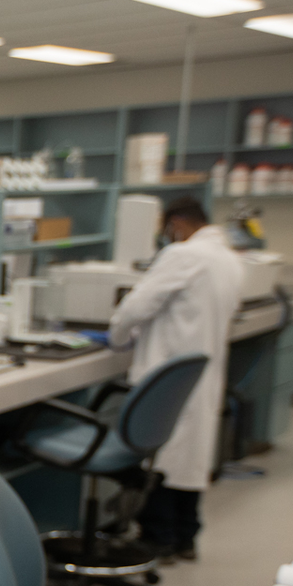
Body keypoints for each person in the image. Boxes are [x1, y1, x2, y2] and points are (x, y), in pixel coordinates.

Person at [108, 197, 244, 561]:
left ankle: (158, 537)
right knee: (191, 457)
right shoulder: (229, 260)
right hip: (199, 373)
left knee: (163, 456)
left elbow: (136, 306)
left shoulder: (184, 255)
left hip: (165, 373)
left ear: (176, 225)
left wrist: (116, 337)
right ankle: (185, 536)